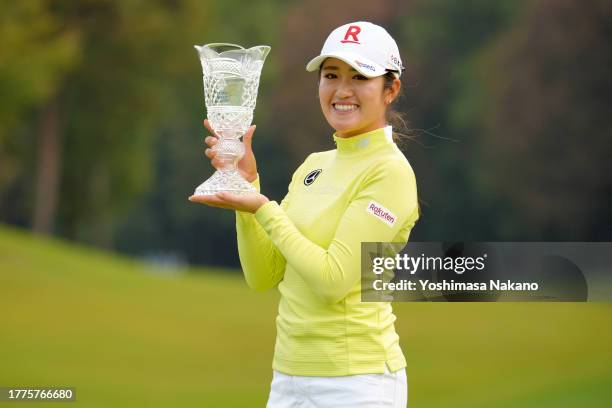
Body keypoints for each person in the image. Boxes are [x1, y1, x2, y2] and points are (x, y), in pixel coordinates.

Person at [189, 21, 419, 408]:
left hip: (358, 383)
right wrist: (247, 188)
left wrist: (262, 208)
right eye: (331, 75)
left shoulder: (389, 172)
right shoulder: (314, 165)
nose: (342, 90)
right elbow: (263, 276)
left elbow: (333, 280)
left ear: (390, 89)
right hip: (288, 379)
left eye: (359, 76)